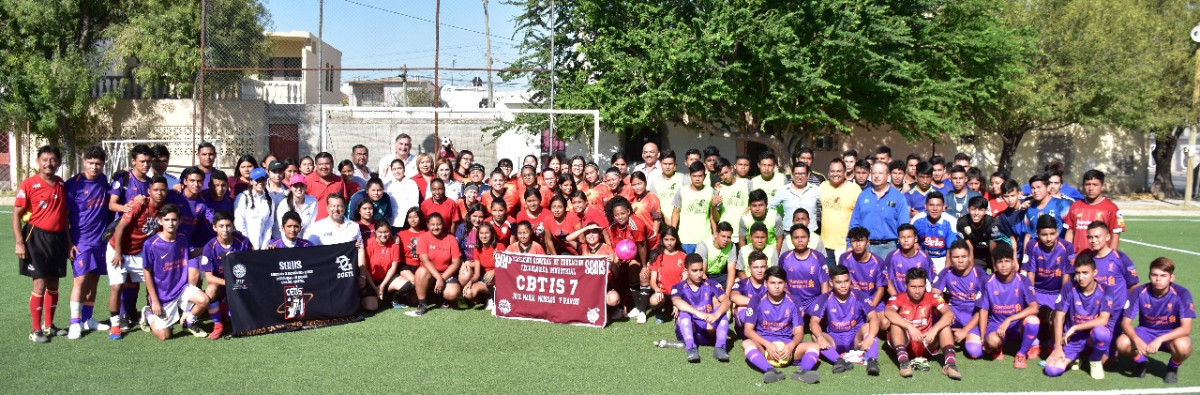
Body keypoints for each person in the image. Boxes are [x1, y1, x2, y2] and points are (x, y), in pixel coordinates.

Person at [14, 145, 70, 343]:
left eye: (53, 160)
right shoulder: (29, 184)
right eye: (45, 159)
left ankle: (49, 325)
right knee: (39, 283)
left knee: (54, 284)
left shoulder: (62, 184)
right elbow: (16, 215)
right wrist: (20, 243)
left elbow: (64, 218)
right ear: (38, 162)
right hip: (35, 237)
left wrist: (69, 243)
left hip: (58, 240)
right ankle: (35, 330)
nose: (49, 164)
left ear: (59, 162)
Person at [106, 176, 170, 339]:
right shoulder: (138, 204)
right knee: (117, 286)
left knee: (154, 282)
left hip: (139, 252)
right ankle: (115, 325)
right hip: (117, 249)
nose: (159, 193)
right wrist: (118, 253)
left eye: (163, 190)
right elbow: (119, 229)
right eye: (156, 190)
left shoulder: (165, 209)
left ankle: (153, 312)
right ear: (149, 191)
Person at [1116, 257, 1194, 384]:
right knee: (1122, 343)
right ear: (1149, 275)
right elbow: (1126, 322)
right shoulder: (1139, 291)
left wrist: (1160, 339)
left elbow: (1186, 328)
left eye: (1163, 275)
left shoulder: (1182, 293)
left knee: (1184, 346)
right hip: (1146, 332)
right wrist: (1136, 339)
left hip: (1170, 334)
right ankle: (1141, 362)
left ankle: (1172, 368)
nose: (1158, 279)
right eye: (1154, 275)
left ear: (1172, 277)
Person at [741, 265, 822, 384]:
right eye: (772, 283)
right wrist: (768, 345)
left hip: (788, 348)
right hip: (765, 348)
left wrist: (791, 346)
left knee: (815, 347)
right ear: (765, 284)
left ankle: (803, 372)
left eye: (780, 282)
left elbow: (799, 331)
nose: (777, 286)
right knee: (746, 343)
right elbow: (748, 330)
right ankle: (770, 371)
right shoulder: (756, 300)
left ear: (785, 284)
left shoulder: (794, 300)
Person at [140, 204, 210, 340]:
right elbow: (146, 272)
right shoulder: (151, 244)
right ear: (160, 221)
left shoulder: (182, 238)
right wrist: (154, 301)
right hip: (163, 295)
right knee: (165, 336)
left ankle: (189, 322)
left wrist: (205, 248)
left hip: (182, 288)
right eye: (166, 220)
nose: (170, 223)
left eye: (173, 220)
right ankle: (148, 314)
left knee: (204, 300)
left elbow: (187, 255)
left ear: (179, 221)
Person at [64, 146, 112, 339]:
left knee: (94, 280)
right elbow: (65, 218)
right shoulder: (72, 184)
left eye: (98, 164)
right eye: (91, 163)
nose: (94, 167)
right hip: (80, 241)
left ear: (103, 165)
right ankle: (74, 323)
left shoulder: (103, 180)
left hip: (100, 241)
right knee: (80, 280)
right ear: (84, 162)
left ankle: (88, 319)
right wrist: (69, 244)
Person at [884, 267, 963, 380]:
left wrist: (935, 329)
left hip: (926, 341)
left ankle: (950, 365)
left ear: (925, 286)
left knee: (944, 326)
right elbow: (888, 312)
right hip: (906, 343)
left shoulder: (933, 297)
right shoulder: (897, 298)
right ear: (906, 286)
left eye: (921, 287)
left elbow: (949, 314)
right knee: (895, 325)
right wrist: (910, 327)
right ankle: (904, 363)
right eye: (913, 287)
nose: (917, 291)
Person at [1044, 254, 1112, 379]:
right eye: (1077, 273)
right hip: (1072, 339)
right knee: (1051, 370)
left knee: (1102, 333)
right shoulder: (1069, 287)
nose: (1080, 277)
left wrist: (1075, 328)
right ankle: (1076, 356)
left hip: (1092, 337)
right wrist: (1058, 347)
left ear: (1095, 272)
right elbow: (1059, 317)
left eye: (1085, 273)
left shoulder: (1106, 289)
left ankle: (1095, 361)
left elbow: (1103, 319)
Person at [808, 265, 882, 375]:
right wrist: (819, 337)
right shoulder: (824, 298)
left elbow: (874, 317)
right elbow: (813, 321)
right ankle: (839, 361)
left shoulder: (859, 295)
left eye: (846, 281)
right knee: (815, 335)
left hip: (856, 339)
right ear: (831, 283)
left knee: (868, 327)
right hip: (835, 339)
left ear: (850, 280)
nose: (843, 286)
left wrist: (870, 337)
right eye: (838, 282)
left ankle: (872, 361)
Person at [977, 243, 1041, 368]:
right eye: (1000, 262)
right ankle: (998, 346)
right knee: (992, 341)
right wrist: (983, 337)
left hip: (1017, 324)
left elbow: (1034, 307)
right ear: (994, 264)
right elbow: (983, 310)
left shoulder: (1023, 280)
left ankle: (1021, 353)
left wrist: (1010, 319)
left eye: (1007, 261)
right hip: (997, 324)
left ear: (1013, 262)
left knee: (1033, 320)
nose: (1004, 265)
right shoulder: (988, 281)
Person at [1079, 221, 1138, 348]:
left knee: (1107, 358)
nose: (1093, 240)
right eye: (1090, 237)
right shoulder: (1087, 259)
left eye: (1097, 237)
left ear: (1107, 237)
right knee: (1088, 344)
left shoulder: (1120, 258)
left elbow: (1134, 285)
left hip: (1115, 314)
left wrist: (1126, 305)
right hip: (1093, 311)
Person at [1022, 214, 1077, 347]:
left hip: (1057, 291)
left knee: (1056, 320)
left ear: (1057, 232)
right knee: (1029, 318)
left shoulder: (1067, 247)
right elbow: (1031, 273)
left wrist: (1062, 298)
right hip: (1038, 290)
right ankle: (1032, 344)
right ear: (1037, 234)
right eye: (1044, 234)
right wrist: (1031, 296)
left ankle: (1053, 343)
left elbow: (1066, 275)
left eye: (1052, 234)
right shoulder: (1032, 245)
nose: (1048, 238)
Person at [198, 210, 252, 339]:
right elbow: (209, 277)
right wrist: (229, 284)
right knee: (211, 289)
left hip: (240, 284)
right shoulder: (209, 247)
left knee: (234, 318)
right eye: (221, 226)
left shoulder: (243, 242)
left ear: (233, 226)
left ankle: (226, 310)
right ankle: (218, 325)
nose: (225, 229)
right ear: (214, 227)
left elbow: (252, 264)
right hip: (222, 285)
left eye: (228, 226)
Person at [671, 254, 732, 364]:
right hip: (688, 330)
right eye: (694, 271)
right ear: (686, 271)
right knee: (684, 312)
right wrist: (699, 314)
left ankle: (720, 348)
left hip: (706, 331)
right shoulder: (678, 287)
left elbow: (726, 301)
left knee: (721, 313)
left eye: (701, 270)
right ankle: (690, 348)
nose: (699, 274)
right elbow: (676, 302)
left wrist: (716, 315)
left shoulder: (712, 284)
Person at [932, 241, 987, 359]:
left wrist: (965, 330)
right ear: (950, 258)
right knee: (931, 312)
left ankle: (962, 335)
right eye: (956, 257)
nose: (960, 260)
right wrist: (945, 311)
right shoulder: (946, 272)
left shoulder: (980, 275)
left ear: (970, 257)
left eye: (964, 257)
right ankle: (947, 334)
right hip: (954, 312)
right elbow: (934, 295)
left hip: (974, 315)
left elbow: (983, 309)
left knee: (974, 352)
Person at [606, 196, 656, 323]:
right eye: (616, 215)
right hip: (635, 251)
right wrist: (621, 258)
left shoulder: (635, 224)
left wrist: (644, 266)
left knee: (643, 275)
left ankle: (642, 311)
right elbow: (620, 245)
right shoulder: (612, 226)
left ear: (628, 211)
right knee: (631, 271)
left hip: (652, 249)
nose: (620, 217)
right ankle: (638, 306)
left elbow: (642, 245)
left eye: (623, 213)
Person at [849, 161, 910, 258]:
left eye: (880, 173)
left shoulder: (898, 197)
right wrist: (849, 244)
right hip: (864, 247)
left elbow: (903, 225)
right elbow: (855, 222)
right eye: (874, 173)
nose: (876, 176)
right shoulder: (863, 196)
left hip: (889, 248)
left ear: (888, 175)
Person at [407, 213, 463, 317]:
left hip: (446, 274)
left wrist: (442, 278)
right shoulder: (423, 237)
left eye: (439, 224)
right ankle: (422, 303)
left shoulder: (451, 238)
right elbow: (424, 260)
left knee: (452, 294)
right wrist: (438, 278)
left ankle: (442, 299)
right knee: (421, 271)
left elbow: (456, 262)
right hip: (429, 274)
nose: (436, 227)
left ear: (443, 225)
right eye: (432, 224)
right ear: (428, 225)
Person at [1063, 170, 1125, 254]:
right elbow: (1070, 231)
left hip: (1100, 259)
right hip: (1078, 258)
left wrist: (1112, 257)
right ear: (1083, 186)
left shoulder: (1111, 208)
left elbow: (1115, 235)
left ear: (1102, 186)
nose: (1091, 188)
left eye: (1095, 185)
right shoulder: (1075, 206)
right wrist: (1068, 253)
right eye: (1088, 184)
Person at [358, 220, 412, 311]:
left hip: (386, 280)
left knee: (407, 285)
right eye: (380, 232)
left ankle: (390, 298)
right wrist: (375, 288)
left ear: (390, 231)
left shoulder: (395, 244)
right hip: (370, 281)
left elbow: (393, 267)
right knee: (372, 307)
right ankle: (370, 295)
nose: (383, 235)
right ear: (375, 232)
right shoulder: (368, 243)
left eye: (386, 232)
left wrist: (382, 286)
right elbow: (365, 269)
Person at [819, 159, 860, 265]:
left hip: (844, 245)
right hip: (825, 244)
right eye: (832, 171)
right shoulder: (823, 186)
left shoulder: (855, 189)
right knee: (827, 279)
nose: (835, 174)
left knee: (842, 279)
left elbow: (860, 217)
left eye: (838, 171)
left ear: (845, 172)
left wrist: (852, 244)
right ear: (828, 173)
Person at [779, 225, 829, 311]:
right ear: (791, 240)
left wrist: (823, 303)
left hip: (814, 300)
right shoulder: (784, 257)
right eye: (796, 237)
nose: (800, 240)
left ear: (809, 239)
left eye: (803, 237)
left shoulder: (818, 257)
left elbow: (824, 283)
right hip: (792, 300)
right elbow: (780, 279)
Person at [838, 227, 886, 314]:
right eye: (854, 241)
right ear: (850, 243)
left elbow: (880, 289)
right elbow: (838, 281)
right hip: (851, 297)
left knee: (884, 322)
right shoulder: (844, 258)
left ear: (868, 242)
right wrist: (852, 287)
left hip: (872, 298)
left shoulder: (878, 262)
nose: (858, 244)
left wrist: (870, 308)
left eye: (861, 240)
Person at [671, 161, 716, 254]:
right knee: (686, 267)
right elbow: (676, 212)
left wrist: (715, 233)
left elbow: (712, 215)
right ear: (689, 176)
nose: (697, 179)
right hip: (685, 239)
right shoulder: (682, 191)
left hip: (704, 238)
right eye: (694, 176)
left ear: (705, 176)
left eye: (700, 176)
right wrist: (672, 233)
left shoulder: (711, 192)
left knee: (702, 268)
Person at [768, 161, 820, 236]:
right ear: (792, 175)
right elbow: (770, 207)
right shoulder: (783, 190)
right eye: (797, 174)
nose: (800, 177)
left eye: (803, 174)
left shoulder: (816, 190)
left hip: (811, 233)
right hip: (788, 233)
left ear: (808, 175)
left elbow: (824, 207)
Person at [911, 191, 957, 274]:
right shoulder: (917, 220)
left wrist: (945, 273)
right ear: (926, 206)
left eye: (938, 205)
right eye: (931, 205)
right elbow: (913, 242)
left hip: (943, 258)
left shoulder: (951, 222)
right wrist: (919, 260)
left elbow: (951, 250)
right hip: (922, 257)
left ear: (943, 207)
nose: (935, 209)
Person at [884, 224, 935, 298]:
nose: (906, 240)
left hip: (920, 300)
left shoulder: (924, 257)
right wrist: (897, 299)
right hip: (898, 299)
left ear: (915, 239)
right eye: (902, 237)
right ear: (898, 239)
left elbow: (932, 281)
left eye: (909, 237)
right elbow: (888, 282)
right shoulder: (892, 257)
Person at [1021, 173, 1071, 246]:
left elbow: (1070, 230)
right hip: (1037, 253)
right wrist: (1025, 256)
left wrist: (1067, 251)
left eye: (1039, 187)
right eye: (1033, 188)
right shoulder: (1029, 209)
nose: (1035, 191)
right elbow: (1028, 234)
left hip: (1058, 253)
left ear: (1047, 188)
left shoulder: (1061, 205)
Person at [957, 196, 1006, 270]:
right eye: (973, 209)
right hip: (976, 255)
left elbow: (994, 248)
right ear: (968, 210)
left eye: (980, 210)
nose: (976, 213)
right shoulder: (962, 222)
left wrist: (996, 270)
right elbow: (969, 247)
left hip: (995, 253)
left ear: (986, 211)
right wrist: (972, 270)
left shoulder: (993, 224)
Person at [649, 227, 686, 324]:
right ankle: (658, 313)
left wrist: (678, 297)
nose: (669, 243)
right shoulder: (657, 257)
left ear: (676, 240)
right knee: (654, 300)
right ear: (662, 240)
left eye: (672, 239)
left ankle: (680, 310)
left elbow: (684, 281)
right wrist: (657, 290)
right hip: (663, 294)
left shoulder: (683, 256)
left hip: (678, 293)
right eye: (666, 239)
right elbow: (652, 281)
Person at [462, 223, 503, 309]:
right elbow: (476, 274)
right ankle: (488, 296)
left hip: (501, 280)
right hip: (487, 281)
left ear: (491, 234)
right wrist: (469, 282)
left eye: (486, 233)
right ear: (478, 235)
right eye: (481, 233)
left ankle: (496, 299)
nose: (484, 236)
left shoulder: (500, 246)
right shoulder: (477, 249)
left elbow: (508, 267)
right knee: (468, 293)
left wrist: (494, 271)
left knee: (489, 277)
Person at [234, 168, 274, 249]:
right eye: (257, 180)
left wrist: (264, 245)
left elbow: (268, 225)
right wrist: (248, 244)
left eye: (263, 180)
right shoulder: (243, 197)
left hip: (262, 247)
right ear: (251, 181)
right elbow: (239, 224)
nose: (260, 183)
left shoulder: (269, 200)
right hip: (245, 246)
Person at [731, 251, 769, 335]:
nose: (759, 270)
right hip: (745, 328)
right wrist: (760, 302)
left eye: (762, 267)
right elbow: (734, 297)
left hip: (768, 322)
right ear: (749, 268)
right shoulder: (742, 284)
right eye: (755, 267)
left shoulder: (771, 283)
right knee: (740, 306)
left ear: (767, 268)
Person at [694, 222, 738, 292]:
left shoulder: (732, 246)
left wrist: (727, 294)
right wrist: (713, 288)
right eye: (723, 236)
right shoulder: (704, 245)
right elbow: (701, 272)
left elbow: (731, 272)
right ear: (716, 234)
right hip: (703, 275)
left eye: (728, 237)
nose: (726, 240)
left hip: (718, 276)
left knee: (737, 281)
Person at [713, 159, 750, 242]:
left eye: (726, 172)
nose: (725, 176)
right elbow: (716, 218)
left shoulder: (747, 183)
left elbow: (756, 202)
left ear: (732, 169)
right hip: (726, 235)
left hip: (744, 232)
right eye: (721, 175)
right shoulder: (718, 189)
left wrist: (749, 207)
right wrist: (713, 205)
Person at [304, 152, 344, 222]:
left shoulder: (339, 181)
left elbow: (343, 202)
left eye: (327, 163)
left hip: (335, 224)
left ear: (332, 165)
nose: (324, 167)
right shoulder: (307, 181)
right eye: (321, 164)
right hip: (313, 225)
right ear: (316, 165)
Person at [651, 150, 686, 227]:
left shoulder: (683, 179)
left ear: (675, 165)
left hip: (683, 223)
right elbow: (655, 206)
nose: (667, 167)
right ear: (660, 164)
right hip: (664, 224)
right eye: (665, 164)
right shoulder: (655, 183)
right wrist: (665, 220)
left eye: (670, 164)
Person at [384, 159, 420, 228]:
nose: (397, 171)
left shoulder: (411, 183)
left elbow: (415, 204)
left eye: (399, 168)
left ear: (404, 169)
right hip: (392, 223)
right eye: (394, 169)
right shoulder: (388, 185)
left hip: (407, 222)